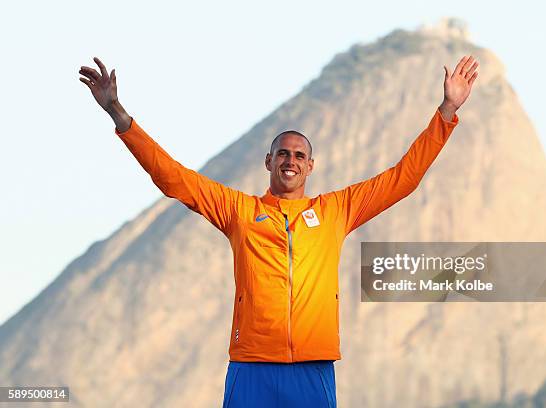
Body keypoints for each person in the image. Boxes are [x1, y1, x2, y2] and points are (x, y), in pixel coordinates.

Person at [79, 55, 478, 407]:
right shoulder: (238, 210)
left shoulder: (336, 210)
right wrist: (118, 114)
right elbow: (173, 179)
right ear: (268, 161)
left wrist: (446, 110)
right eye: (283, 153)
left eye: (299, 155)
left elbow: (402, 179)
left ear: (310, 166)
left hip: (312, 368)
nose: (291, 160)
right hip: (252, 366)